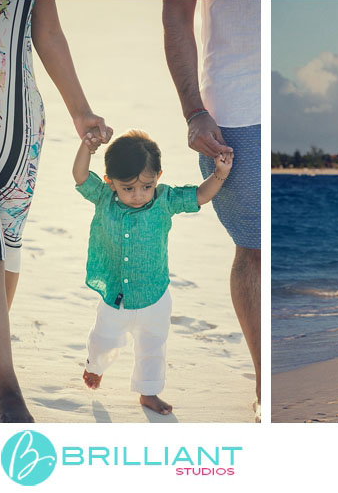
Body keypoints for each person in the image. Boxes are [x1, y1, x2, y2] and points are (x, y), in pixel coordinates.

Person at [0, 0, 110, 422]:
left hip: (19, 118)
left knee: (7, 241)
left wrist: (80, 110)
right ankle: (8, 388)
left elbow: (46, 30)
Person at [73, 129, 232, 415]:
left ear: (158, 177)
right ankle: (95, 366)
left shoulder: (165, 200)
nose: (138, 195)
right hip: (115, 296)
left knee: (152, 348)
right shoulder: (103, 197)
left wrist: (220, 173)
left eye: (146, 186)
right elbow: (81, 176)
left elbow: (200, 195)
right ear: (110, 183)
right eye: (128, 188)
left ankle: (149, 392)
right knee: (103, 340)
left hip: (155, 296)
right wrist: (88, 148)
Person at [162, 0, 261, 417]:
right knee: (254, 249)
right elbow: (176, 13)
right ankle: (264, 387)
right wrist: (194, 111)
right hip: (232, 113)